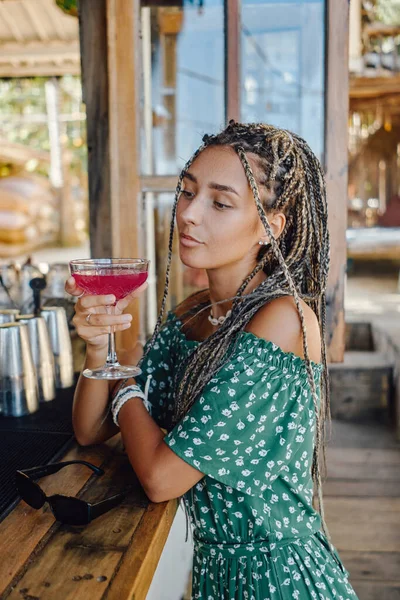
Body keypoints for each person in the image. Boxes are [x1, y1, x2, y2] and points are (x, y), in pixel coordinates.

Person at [66, 121, 358, 599]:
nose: (188, 214)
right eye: (186, 192)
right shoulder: (193, 312)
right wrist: (100, 349)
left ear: (271, 226)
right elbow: (90, 429)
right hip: (217, 576)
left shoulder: (283, 320)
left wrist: (123, 384)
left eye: (219, 203)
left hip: (276, 581)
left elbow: (163, 477)